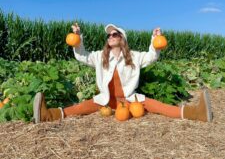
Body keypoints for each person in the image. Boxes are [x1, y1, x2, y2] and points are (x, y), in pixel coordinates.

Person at [33, 23, 212, 123]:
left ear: (122, 38)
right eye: (109, 35)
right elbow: (81, 56)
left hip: (129, 100)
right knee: (78, 108)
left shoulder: (134, 57)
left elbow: (151, 56)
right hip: (106, 100)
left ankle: (196, 113)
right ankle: (49, 115)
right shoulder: (99, 56)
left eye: (115, 34)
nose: (110, 36)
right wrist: (77, 39)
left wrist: (155, 38)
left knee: (159, 106)